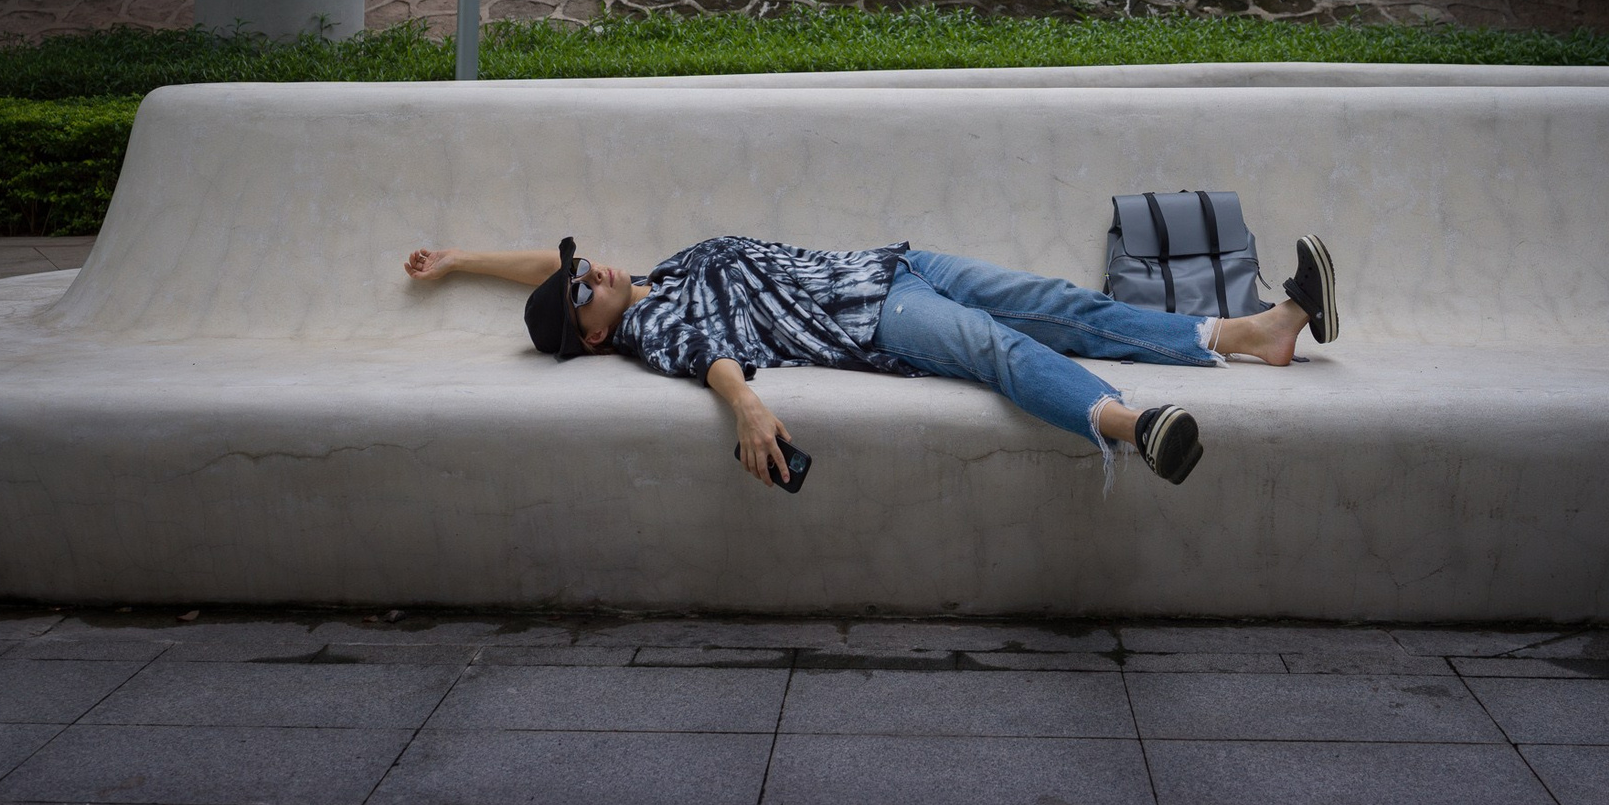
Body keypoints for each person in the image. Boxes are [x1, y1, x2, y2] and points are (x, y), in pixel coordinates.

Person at [401, 232, 1341, 489]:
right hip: (878, 318)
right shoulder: (656, 331)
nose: (585, 269)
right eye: (580, 287)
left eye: (578, 266)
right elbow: (714, 362)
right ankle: (1131, 426)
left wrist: (455, 262)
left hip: (898, 262)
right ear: (592, 334)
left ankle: (1256, 332)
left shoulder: (650, 276)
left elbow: (544, 268)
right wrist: (747, 407)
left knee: (1064, 305)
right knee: (996, 350)